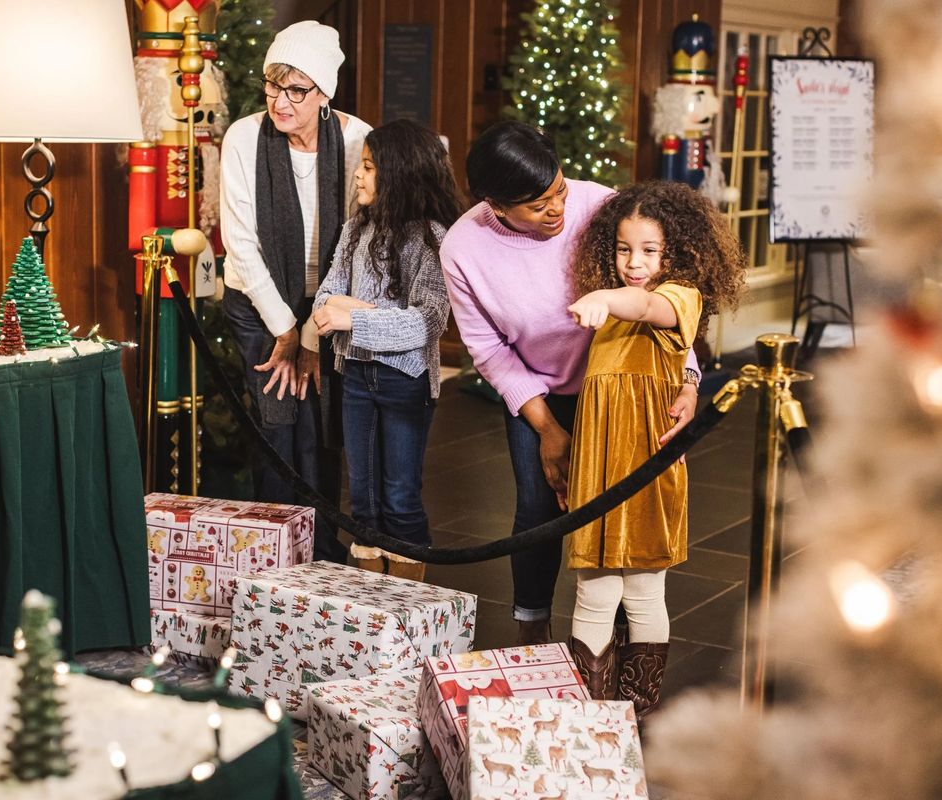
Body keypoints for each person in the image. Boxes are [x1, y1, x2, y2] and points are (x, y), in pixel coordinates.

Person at [440, 122, 702, 645]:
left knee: (625, 508)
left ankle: (629, 637)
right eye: (538, 205)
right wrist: (547, 428)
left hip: (627, 392)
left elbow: (660, 295)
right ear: (496, 205)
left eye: (558, 189)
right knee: (538, 512)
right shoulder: (462, 248)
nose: (557, 208)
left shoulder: (599, 205)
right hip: (539, 393)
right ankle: (532, 633)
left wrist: (688, 377)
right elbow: (490, 350)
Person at [565, 180, 744, 721]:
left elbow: (645, 302)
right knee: (592, 592)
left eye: (649, 250)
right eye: (623, 249)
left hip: (646, 467)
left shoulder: (677, 299)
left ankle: (637, 711)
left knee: (643, 592)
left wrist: (604, 297)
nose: (633, 263)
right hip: (597, 469)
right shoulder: (612, 319)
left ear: (678, 252)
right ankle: (593, 719)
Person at [219, 21, 371, 563]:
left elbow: (358, 241)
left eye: (295, 89)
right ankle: (273, 559)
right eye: (271, 86)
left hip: (327, 304)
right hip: (258, 305)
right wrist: (285, 328)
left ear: (325, 92)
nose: (279, 102)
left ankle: (324, 555)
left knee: (323, 425)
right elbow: (239, 241)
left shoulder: (357, 140)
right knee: (277, 423)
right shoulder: (243, 137)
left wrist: (309, 330)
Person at [310, 120, 460, 581]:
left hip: (404, 380)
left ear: (399, 173)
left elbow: (427, 321)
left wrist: (353, 316)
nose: (358, 176)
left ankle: (410, 609)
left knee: (399, 497)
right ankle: (369, 612)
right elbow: (323, 301)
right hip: (355, 374)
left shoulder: (430, 238)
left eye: (370, 167)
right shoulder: (355, 229)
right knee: (363, 501)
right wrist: (360, 312)